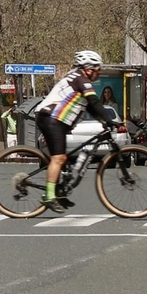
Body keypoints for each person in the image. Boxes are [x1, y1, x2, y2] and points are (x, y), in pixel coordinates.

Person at [32, 50, 114, 212]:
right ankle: (49, 196)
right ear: (88, 68)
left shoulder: (75, 77)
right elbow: (94, 101)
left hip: (56, 120)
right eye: (97, 69)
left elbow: (91, 106)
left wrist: (104, 120)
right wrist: (110, 120)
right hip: (51, 118)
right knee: (59, 158)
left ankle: (59, 192)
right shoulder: (80, 79)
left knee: (65, 158)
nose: (99, 73)